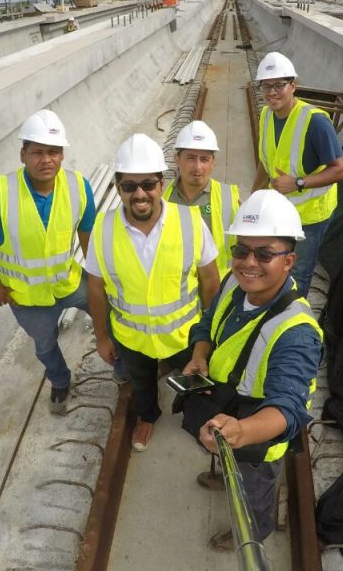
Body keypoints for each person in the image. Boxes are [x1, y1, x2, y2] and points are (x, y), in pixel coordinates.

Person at [183, 190, 323, 551]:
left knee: (255, 489)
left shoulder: (297, 331)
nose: (249, 262)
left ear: (290, 261)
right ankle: (227, 474)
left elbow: (290, 407)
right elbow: (208, 320)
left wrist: (242, 432)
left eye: (264, 254)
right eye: (241, 250)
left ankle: (257, 529)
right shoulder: (234, 283)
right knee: (228, 460)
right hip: (226, 405)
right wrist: (201, 353)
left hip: (255, 434)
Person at [86, 133, 221, 451]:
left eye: (148, 184)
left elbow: (210, 281)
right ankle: (148, 417)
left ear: (162, 183)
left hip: (185, 335)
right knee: (142, 385)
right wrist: (102, 336)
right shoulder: (103, 228)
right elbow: (95, 284)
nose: (140, 194)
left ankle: (199, 418)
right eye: (129, 186)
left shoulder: (189, 222)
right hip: (133, 339)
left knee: (196, 381)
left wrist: (209, 335)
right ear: (118, 187)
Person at [0, 109, 94, 416]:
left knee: (110, 312)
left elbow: (88, 235)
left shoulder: (78, 186)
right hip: (26, 297)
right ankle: (60, 381)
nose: (45, 160)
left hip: (69, 283)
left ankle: (121, 365)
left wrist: (98, 278)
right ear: (23, 155)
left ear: (62, 155)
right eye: (37, 152)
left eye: (53, 152)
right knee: (45, 346)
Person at [251, 51, 343, 295]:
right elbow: (265, 161)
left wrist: (298, 183)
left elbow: (340, 170)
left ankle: (292, 322)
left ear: (293, 86)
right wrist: (254, 197)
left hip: (310, 218)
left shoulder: (316, 122)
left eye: (279, 85)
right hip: (280, 211)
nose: (272, 92)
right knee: (276, 266)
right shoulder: (266, 115)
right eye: (266, 86)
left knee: (298, 275)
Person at [162, 120, 241, 277]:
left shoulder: (230, 198)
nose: (198, 167)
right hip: (174, 287)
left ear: (213, 162)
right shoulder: (161, 196)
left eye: (204, 159)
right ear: (177, 159)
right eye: (191, 158)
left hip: (216, 286)